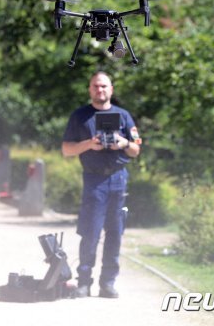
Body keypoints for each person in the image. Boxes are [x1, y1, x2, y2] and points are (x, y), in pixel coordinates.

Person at [61, 71, 142, 299]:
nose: (100, 90)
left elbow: (136, 150)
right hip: (94, 179)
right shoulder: (80, 116)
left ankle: (108, 283)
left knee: (115, 233)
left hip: (118, 178)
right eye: (96, 86)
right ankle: (84, 282)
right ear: (90, 89)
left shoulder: (123, 116)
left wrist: (123, 142)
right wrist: (89, 144)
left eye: (104, 86)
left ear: (111, 89)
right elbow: (66, 149)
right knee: (90, 232)